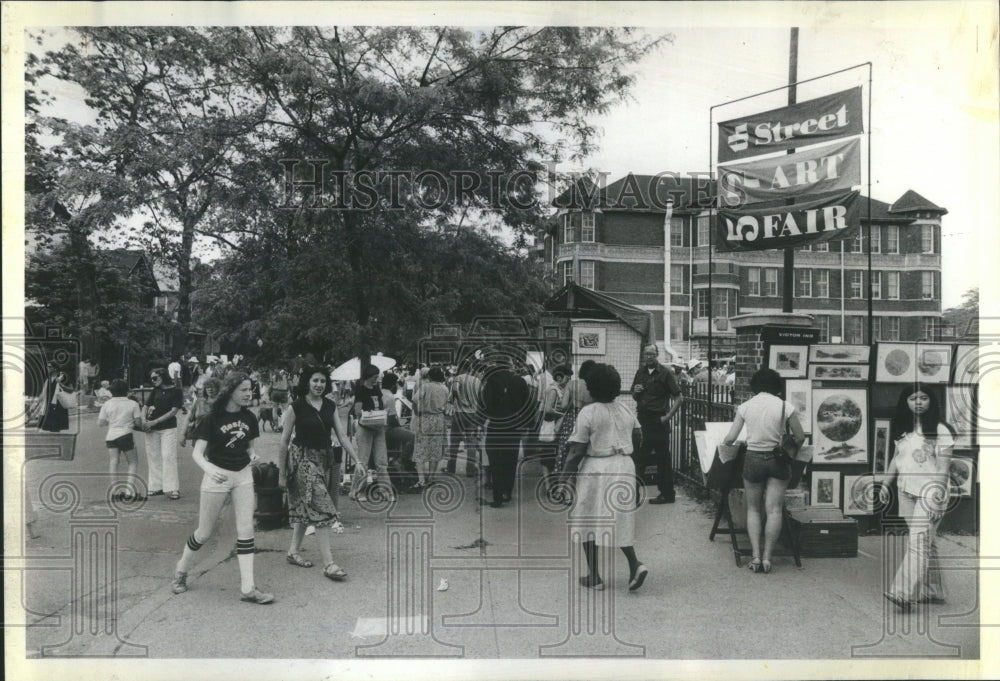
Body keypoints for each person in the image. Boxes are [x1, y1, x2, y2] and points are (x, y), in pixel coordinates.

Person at [171, 372, 274, 604]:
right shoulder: (212, 418)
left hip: (243, 475)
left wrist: (253, 454)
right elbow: (197, 453)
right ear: (230, 391)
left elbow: (249, 447)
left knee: (246, 530)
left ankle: (248, 588)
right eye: (244, 390)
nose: (249, 394)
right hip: (216, 476)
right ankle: (181, 570)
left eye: (251, 390)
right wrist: (209, 469)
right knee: (204, 532)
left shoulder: (249, 417)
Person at [566, 363, 648, 591]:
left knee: (587, 519)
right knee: (620, 519)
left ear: (591, 389)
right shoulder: (625, 409)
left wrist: (562, 478)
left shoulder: (588, 412)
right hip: (624, 465)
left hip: (597, 468)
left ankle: (595, 576)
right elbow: (638, 437)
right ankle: (635, 564)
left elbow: (576, 451)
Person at [721, 368, 805, 574]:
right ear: (776, 386)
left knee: (754, 509)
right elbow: (800, 437)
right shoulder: (785, 406)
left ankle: (755, 556)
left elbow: (731, 438)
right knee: (774, 510)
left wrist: (724, 444)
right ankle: (768, 558)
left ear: (755, 386)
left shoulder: (746, 407)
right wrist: (789, 450)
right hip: (777, 460)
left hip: (753, 459)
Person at [278, 367, 356, 581]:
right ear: (307, 382)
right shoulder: (296, 407)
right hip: (301, 460)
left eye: (322, 381)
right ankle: (329, 564)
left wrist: (357, 460)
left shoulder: (330, 406)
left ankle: (293, 552)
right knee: (321, 507)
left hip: (324, 460)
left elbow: (341, 435)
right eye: (315, 380)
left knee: (307, 506)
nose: (319, 385)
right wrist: (282, 474)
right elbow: (284, 441)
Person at [881, 384, 956, 609]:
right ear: (906, 402)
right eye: (914, 398)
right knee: (926, 543)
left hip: (930, 493)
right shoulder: (902, 428)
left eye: (924, 398)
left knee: (917, 543)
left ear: (931, 401)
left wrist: (936, 497)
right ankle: (933, 591)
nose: (919, 402)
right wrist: (886, 484)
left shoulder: (940, 430)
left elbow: (943, 468)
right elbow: (896, 458)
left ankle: (902, 593)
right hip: (906, 491)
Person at [630, 344, 684, 504]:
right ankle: (635, 494)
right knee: (639, 458)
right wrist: (636, 392)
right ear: (643, 356)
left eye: (652, 354)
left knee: (663, 460)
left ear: (657, 355)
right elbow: (634, 395)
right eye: (646, 354)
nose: (649, 357)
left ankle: (667, 494)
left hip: (658, 421)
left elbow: (679, 398)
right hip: (643, 420)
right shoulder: (640, 372)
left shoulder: (666, 373)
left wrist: (667, 417)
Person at [481, 358, 533, 508]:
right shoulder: (520, 381)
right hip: (514, 425)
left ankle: (497, 496)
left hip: (496, 425)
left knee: (495, 459)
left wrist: (481, 421)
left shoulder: (492, 381)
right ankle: (507, 492)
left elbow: (486, 404)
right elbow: (527, 404)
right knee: (511, 458)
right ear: (511, 367)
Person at [352, 364, 393, 502]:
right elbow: (357, 411)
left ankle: (386, 491)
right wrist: (368, 415)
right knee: (363, 461)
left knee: (382, 461)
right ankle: (358, 491)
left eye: (378, 377)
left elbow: (380, 404)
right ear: (368, 377)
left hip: (378, 426)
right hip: (366, 427)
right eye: (374, 377)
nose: (377, 379)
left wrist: (382, 413)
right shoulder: (361, 390)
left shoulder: (376, 388)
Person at [98, 379, 143, 501]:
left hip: (111, 435)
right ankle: (130, 493)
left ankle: (115, 492)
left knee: (114, 462)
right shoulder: (133, 404)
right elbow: (138, 422)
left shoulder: (107, 404)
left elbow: (101, 423)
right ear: (126, 391)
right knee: (132, 462)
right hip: (126, 434)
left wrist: (113, 421)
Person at [143, 367, 184, 499]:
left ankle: (172, 488)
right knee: (153, 456)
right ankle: (156, 486)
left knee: (168, 456)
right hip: (151, 428)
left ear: (163, 376)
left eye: (155, 378)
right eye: (151, 379)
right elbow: (145, 406)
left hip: (168, 428)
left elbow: (173, 411)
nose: (153, 381)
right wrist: (144, 421)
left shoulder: (176, 391)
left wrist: (155, 422)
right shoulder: (156, 390)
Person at [411, 366, 450, 491]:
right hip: (439, 419)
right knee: (435, 449)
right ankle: (431, 478)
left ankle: (421, 480)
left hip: (425, 418)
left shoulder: (425, 386)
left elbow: (415, 400)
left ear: (430, 376)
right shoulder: (444, 388)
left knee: (420, 449)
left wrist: (418, 413)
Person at [533, 364, 572, 486]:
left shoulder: (558, 389)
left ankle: (550, 485)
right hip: (550, 427)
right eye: (567, 377)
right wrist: (562, 414)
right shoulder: (553, 390)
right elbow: (548, 409)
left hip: (553, 426)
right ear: (560, 377)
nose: (568, 380)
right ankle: (548, 486)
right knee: (547, 459)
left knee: (551, 457)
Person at [445, 362, 484, 477]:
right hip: (473, 414)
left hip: (460, 413)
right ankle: (470, 470)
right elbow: (481, 397)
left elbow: (455, 390)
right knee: (471, 441)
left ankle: (451, 468)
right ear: (471, 368)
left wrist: (459, 400)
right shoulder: (477, 381)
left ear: (461, 368)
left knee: (455, 441)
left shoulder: (458, 378)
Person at [181, 377, 221, 447]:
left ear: (218, 389)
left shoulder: (222, 404)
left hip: (216, 439)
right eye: (208, 387)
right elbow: (188, 418)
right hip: (199, 437)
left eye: (213, 387)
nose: (210, 389)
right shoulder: (199, 402)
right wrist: (183, 435)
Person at [37, 362, 71, 432]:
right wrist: (38, 401)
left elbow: (65, 384)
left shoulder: (61, 377)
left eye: (49, 367)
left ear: (54, 368)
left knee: (56, 425)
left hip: (58, 403)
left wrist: (60, 378)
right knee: (51, 425)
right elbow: (44, 392)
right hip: (50, 403)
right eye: (47, 367)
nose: (47, 368)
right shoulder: (48, 379)